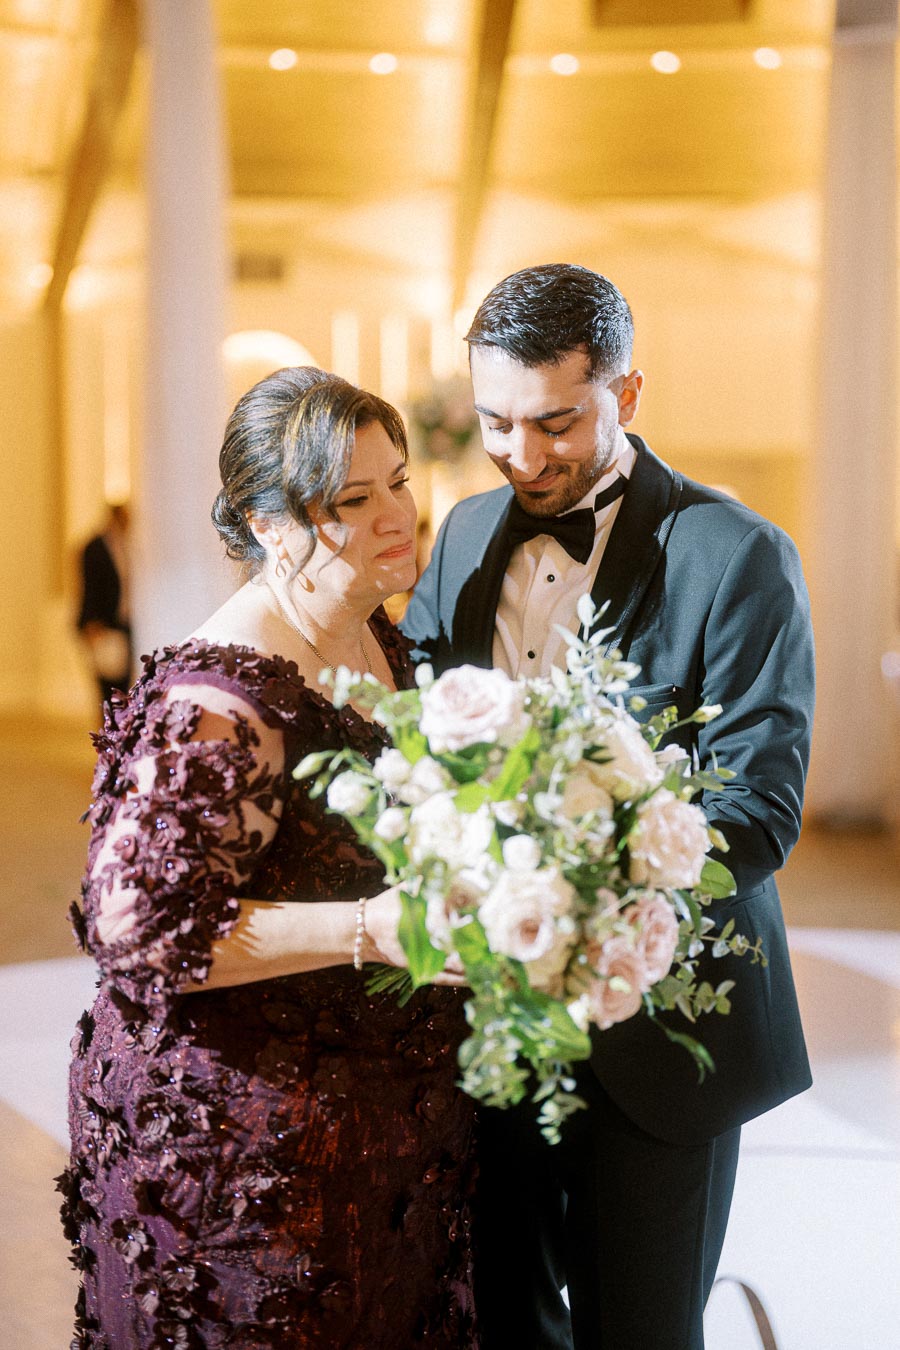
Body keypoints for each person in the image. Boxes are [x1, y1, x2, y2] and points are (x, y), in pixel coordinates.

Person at [401, 263, 815, 1350]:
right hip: (492, 1024)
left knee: (641, 1331)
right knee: (505, 1326)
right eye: (496, 423)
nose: (524, 457)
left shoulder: (740, 557)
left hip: (665, 1035)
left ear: (626, 397)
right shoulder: (462, 534)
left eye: (556, 423)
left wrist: (584, 875)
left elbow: (759, 811)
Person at [59, 367, 478, 1349]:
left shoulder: (377, 634)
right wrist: (374, 929)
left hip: (388, 1132)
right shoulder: (222, 699)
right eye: (351, 499)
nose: (396, 516)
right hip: (252, 1154)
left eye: (400, 482)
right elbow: (137, 933)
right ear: (268, 521)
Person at [76, 501, 133, 712]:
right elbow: (88, 588)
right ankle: (108, 734)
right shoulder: (94, 547)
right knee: (107, 689)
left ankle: (121, 733)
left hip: (126, 624)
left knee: (126, 686)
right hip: (104, 625)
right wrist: (93, 625)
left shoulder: (130, 546)